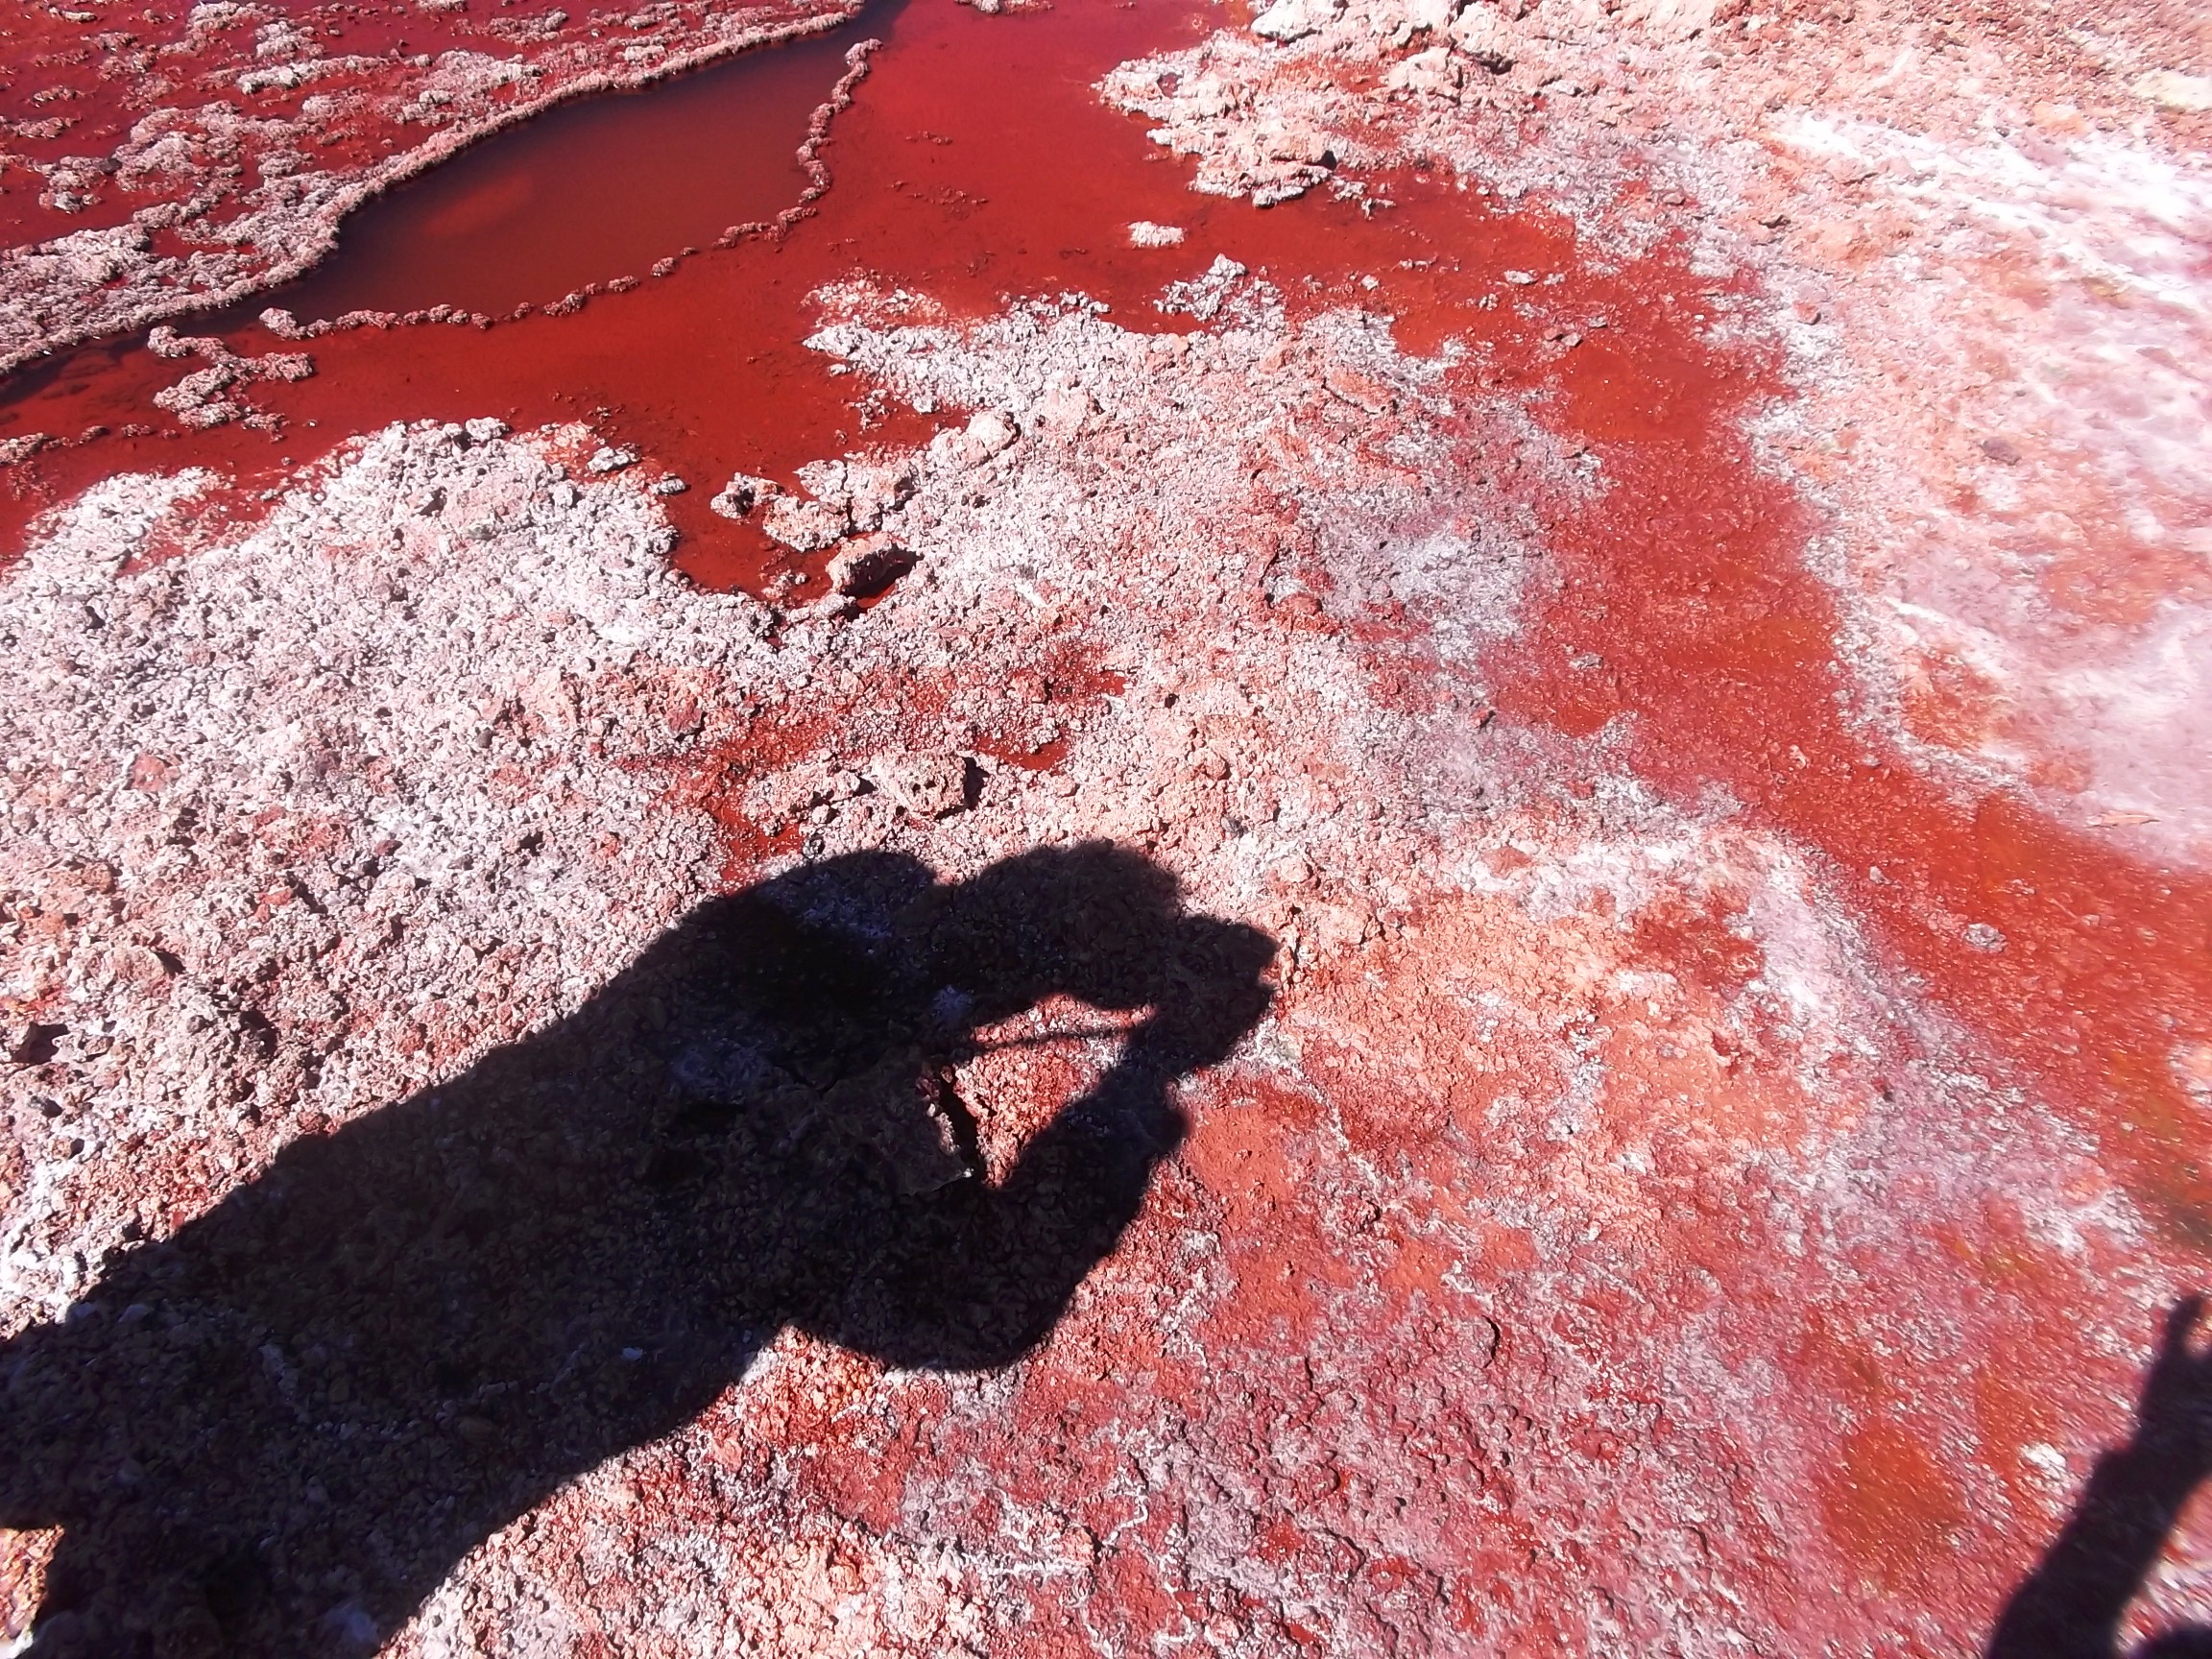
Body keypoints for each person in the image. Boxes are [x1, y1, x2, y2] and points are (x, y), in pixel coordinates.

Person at [0, 843, 1274, 1655]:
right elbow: (962, 1311)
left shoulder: (759, 969)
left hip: (294, 1289)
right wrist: (1145, 1077)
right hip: (478, 1267)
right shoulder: (750, 1038)